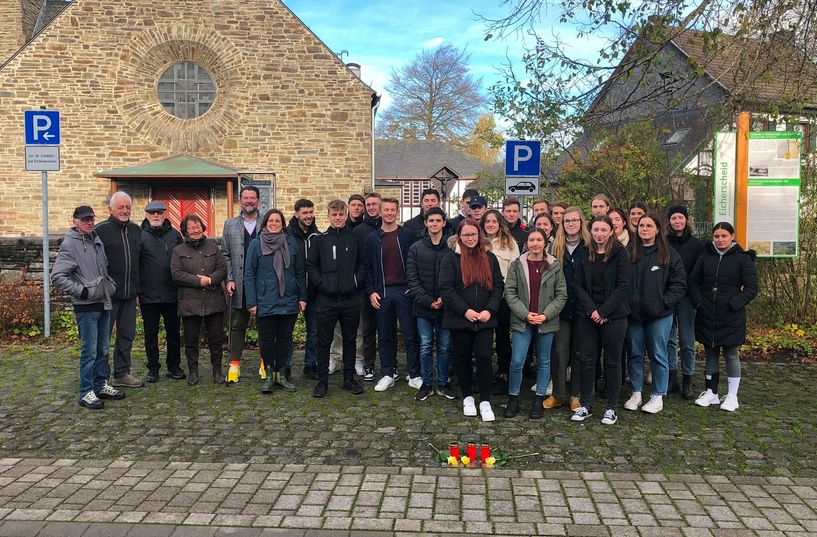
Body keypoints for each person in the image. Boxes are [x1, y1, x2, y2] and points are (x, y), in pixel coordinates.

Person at [52, 205, 126, 409]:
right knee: (90, 351)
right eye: (85, 220)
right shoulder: (70, 244)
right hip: (86, 306)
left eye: (91, 219)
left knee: (102, 349)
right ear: (75, 221)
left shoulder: (96, 239)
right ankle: (86, 392)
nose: (89, 222)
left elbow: (102, 269)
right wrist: (83, 291)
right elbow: (57, 277)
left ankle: (100, 384)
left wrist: (109, 285)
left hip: (103, 302)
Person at [440, 219, 504, 422]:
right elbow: (447, 289)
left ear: (479, 236)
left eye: (473, 234)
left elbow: (498, 287)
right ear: (459, 236)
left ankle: (485, 400)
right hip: (461, 318)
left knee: (485, 357)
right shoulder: (450, 259)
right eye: (466, 235)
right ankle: (467, 396)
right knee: (462, 358)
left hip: (485, 318)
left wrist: (490, 310)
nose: (470, 238)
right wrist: (465, 310)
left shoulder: (490, 258)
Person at [690, 222, 757, 412]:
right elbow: (693, 280)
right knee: (710, 352)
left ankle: (732, 395)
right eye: (717, 236)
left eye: (724, 236)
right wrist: (699, 302)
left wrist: (734, 303)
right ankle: (711, 392)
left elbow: (752, 288)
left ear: (732, 236)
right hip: (707, 313)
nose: (720, 240)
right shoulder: (705, 256)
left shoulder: (743, 259)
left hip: (731, 315)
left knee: (730, 354)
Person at [623, 214, 686, 415]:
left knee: (658, 354)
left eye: (649, 226)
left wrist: (664, 302)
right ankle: (636, 392)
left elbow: (679, 284)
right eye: (641, 225)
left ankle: (658, 394)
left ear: (657, 229)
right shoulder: (628, 252)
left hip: (660, 315)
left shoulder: (668, 254)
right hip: (633, 315)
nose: (645, 229)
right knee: (634, 354)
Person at [572, 215, 630, 425]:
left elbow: (623, 286)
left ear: (611, 231)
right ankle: (586, 404)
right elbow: (577, 284)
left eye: (604, 230)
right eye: (596, 230)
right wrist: (593, 311)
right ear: (590, 231)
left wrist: (604, 312)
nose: (599, 234)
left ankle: (611, 408)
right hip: (587, 315)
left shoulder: (620, 253)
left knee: (613, 362)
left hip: (614, 316)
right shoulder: (582, 252)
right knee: (587, 360)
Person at [504, 229, 567, 418]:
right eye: (532, 240)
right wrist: (525, 314)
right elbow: (510, 292)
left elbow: (561, 294)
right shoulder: (518, 264)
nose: (535, 244)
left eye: (539, 240)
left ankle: (539, 398)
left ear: (545, 242)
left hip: (545, 321)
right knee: (517, 361)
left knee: (544, 360)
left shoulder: (555, 265)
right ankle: (513, 398)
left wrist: (546, 315)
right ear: (527, 243)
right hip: (523, 320)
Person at [307, 199, 367, 398]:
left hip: (350, 299)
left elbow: (363, 265)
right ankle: (323, 381)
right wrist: (322, 285)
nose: (338, 218)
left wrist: (355, 283)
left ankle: (349, 379)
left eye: (341, 215)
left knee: (350, 340)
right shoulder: (319, 240)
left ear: (346, 215)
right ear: (328, 216)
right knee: (324, 341)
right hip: (326, 300)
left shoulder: (356, 239)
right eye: (334, 215)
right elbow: (311, 267)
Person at [246, 209, 306, 393]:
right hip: (265, 300)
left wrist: (302, 297)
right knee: (266, 340)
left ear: (282, 224)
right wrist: (252, 301)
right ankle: (270, 374)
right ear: (265, 223)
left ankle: (281, 375)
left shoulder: (291, 243)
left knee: (284, 339)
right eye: (270, 221)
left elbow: (300, 272)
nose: (273, 224)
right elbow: (249, 274)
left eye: (277, 221)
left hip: (288, 299)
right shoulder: (256, 244)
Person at [364, 197, 421, 392]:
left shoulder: (408, 235)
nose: (389, 213)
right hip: (383, 292)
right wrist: (371, 291)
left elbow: (416, 263)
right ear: (380, 212)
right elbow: (368, 268)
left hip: (404, 291)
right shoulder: (372, 238)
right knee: (385, 335)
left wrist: (413, 286)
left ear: (397, 212)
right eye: (385, 210)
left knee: (410, 334)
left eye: (392, 210)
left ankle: (414, 374)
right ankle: (388, 372)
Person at [171, 214, 228, 385]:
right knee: (190, 340)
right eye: (191, 228)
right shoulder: (178, 251)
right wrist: (198, 281)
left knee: (216, 339)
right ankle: (193, 372)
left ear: (202, 228)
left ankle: (217, 371)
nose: (195, 230)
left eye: (197, 227)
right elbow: (176, 274)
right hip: (190, 302)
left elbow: (222, 269)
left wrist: (210, 279)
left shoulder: (213, 248)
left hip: (213, 300)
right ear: (185, 231)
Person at [406, 207, 456, 401]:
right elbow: (412, 279)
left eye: (438, 220)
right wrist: (428, 301)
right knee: (425, 345)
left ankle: (443, 383)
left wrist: (444, 299)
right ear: (425, 223)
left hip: (446, 307)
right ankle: (426, 383)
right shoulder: (415, 248)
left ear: (444, 223)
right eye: (431, 220)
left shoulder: (451, 248)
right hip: (423, 307)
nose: (434, 224)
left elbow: (455, 278)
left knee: (444, 346)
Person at [94, 191, 144, 388]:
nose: (125, 211)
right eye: (121, 207)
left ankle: (122, 373)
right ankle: (101, 376)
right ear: (111, 209)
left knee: (127, 335)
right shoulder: (100, 230)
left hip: (130, 294)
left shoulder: (135, 230)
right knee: (103, 337)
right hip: (107, 295)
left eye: (127, 207)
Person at [546, 207, 591, 411]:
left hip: (583, 308)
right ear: (561, 224)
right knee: (559, 351)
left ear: (581, 223)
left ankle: (575, 395)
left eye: (575, 220)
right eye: (567, 221)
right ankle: (558, 393)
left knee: (579, 352)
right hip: (561, 308)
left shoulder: (589, 247)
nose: (571, 224)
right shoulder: (556, 248)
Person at [138, 200, 184, 382]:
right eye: (152, 213)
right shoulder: (139, 235)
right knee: (151, 334)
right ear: (146, 215)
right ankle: (153, 368)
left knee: (173, 333)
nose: (155, 215)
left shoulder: (175, 235)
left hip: (172, 293)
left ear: (165, 214)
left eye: (159, 212)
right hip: (148, 295)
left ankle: (173, 366)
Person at [666, 205, 705, 399]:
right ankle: (672, 377)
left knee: (687, 341)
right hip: (667, 297)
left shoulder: (697, 245)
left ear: (686, 220)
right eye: (674, 218)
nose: (677, 221)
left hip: (688, 298)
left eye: (680, 218)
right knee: (669, 339)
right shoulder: (664, 243)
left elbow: (698, 273)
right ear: (669, 221)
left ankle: (688, 379)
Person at [479, 209, 520, 395]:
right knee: (482, 338)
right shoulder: (476, 241)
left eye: (494, 221)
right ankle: (483, 375)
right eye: (487, 222)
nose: (490, 225)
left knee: (502, 338)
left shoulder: (509, 243)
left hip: (502, 298)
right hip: (480, 297)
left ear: (500, 223)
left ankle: (504, 374)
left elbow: (516, 271)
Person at [222, 185, 260, 379]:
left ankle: (265, 363)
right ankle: (234, 364)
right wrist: (229, 278)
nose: (249, 201)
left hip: (262, 284)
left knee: (265, 324)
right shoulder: (230, 225)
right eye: (245, 198)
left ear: (259, 201)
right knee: (238, 324)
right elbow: (225, 254)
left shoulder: (267, 222)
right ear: (240, 201)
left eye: (253, 198)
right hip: (239, 283)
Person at [347, 191, 383, 380]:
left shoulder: (390, 228)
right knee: (367, 329)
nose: (370, 208)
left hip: (388, 287)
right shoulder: (358, 230)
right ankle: (368, 364)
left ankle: (389, 366)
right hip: (365, 288)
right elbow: (356, 260)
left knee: (387, 329)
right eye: (367, 205)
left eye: (374, 204)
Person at [286, 199, 321, 380]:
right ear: (296, 214)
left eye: (310, 212)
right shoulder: (287, 236)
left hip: (313, 292)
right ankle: (286, 365)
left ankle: (310, 364)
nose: (308, 216)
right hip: (292, 291)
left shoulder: (318, 236)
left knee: (314, 330)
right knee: (287, 331)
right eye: (304, 213)